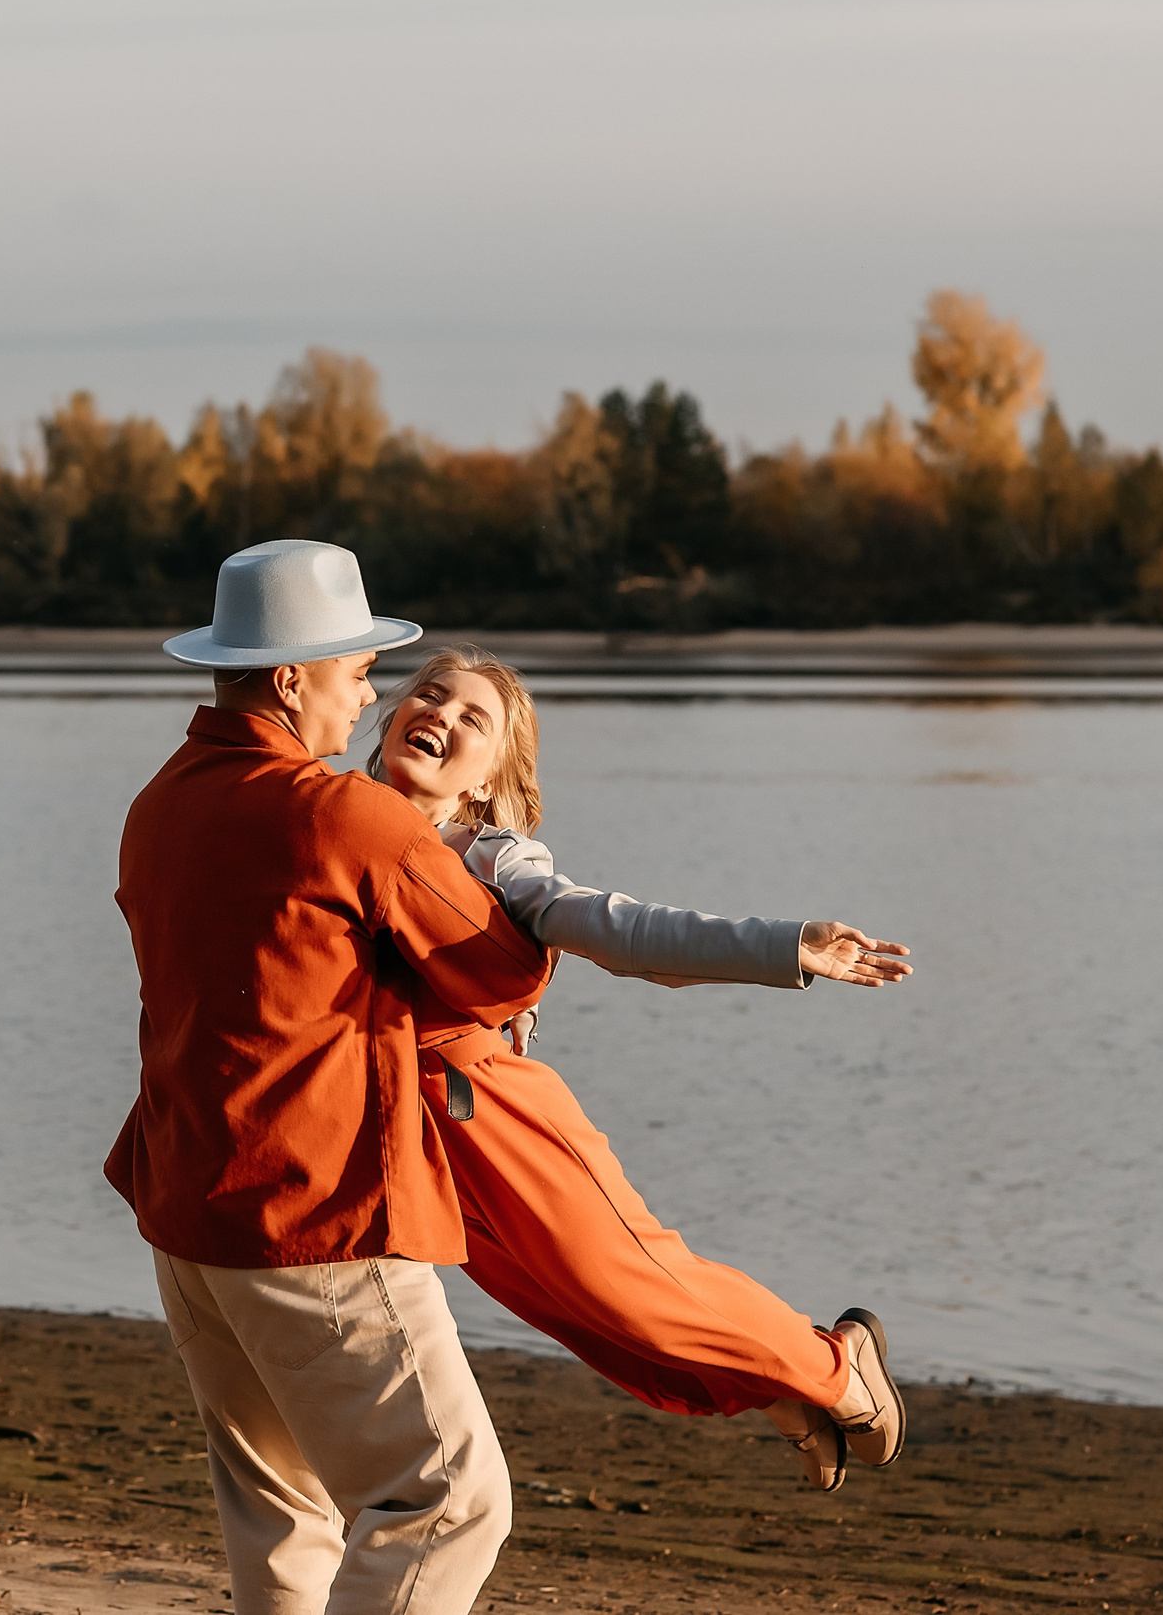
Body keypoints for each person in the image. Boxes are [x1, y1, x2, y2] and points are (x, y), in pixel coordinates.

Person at [106, 541, 551, 1615]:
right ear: (291, 677)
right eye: (357, 667)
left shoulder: (158, 803)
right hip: (310, 1219)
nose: (369, 692)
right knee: (446, 1501)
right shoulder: (338, 813)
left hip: (186, 1217)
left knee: (284, 1522)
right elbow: (494, 967)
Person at [365, 645, 912, 1492]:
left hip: (494, 1113)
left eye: (472, 716)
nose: (439, 713)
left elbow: (621, 931)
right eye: (430, 694)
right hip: (408, 1134)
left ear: (485, 778)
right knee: (579, 1317)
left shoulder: (493, 858)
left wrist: (783, 946)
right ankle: (784, 1393)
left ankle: (836, 1364)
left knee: (637, 1289)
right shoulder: (336, 817)